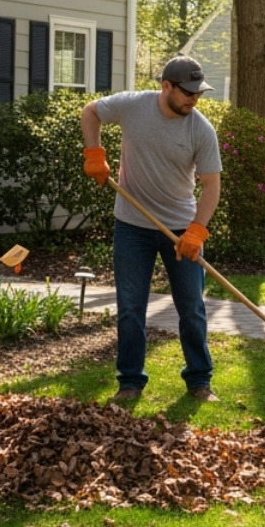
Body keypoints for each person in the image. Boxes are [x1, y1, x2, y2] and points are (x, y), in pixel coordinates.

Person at [81, 56, 223, 403]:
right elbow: (91, 111)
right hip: (132, 225)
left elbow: (211, 186)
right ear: (167, 87)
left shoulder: (201, 130)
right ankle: (130, 382)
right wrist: (94, 153)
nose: (194, 99)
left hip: (181, 228)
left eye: (198, 93)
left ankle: (199, 381)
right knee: (131, 308)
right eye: (188, 92)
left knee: (191, 307)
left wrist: (196, 231)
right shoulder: (133, 106)